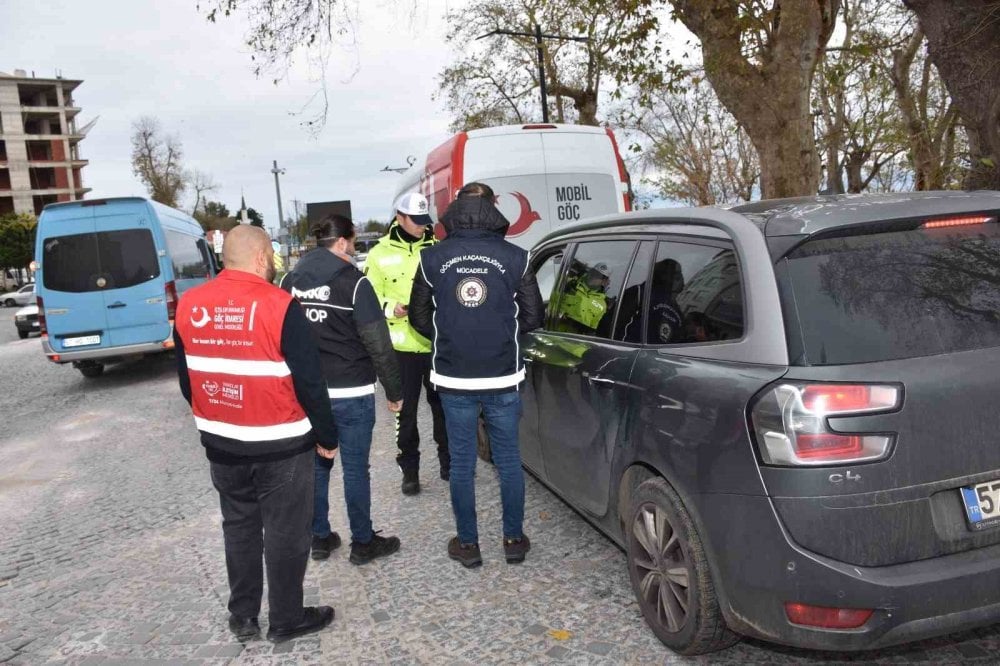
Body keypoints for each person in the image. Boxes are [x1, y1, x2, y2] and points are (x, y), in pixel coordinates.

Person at [173, 225, 336, 643]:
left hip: (222, 445)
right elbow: (310, 381)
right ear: (262, 258)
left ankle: (243, 616)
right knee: (285, 532)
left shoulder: (189, 306)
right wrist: (327, 434)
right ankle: (286, 619)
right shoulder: (280, 305)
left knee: (239, 528)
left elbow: (186, 379)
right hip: (280, 444)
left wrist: (214, 417)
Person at [409, 182, 544, 568]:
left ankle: (468, 545)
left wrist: (447, 337)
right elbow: (534, 317)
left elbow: (420, 316)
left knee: (463, 463)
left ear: (455, 210)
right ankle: (514, 540)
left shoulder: (432, 259)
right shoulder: (517, 256)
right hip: (503, 375)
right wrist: (504, 338)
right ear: (492, 210)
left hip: (454, 379)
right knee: (508, 459)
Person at [281, 214, 405, 565]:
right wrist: (394, 391)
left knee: (316, 466)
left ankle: (319, 537)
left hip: (308, 392)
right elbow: (378, 343)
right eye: (351, 241)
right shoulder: (355, 282)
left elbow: (278, 334)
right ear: (342, 242)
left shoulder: (289, 280)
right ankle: (362, 542)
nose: (352, 248)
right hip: (351, 391)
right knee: (354, 468)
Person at [364, 192, 449, 495]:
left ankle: (447, 462)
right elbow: (369, 299)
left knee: (443, 407)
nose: (421, 227)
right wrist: (393, 308)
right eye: (415, 221)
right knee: (406, 412)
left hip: (435, 343)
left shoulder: (438, 248)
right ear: (399, 217)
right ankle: (410, 469)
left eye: (425, 221)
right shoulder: (378, 254)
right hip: (401, 348)